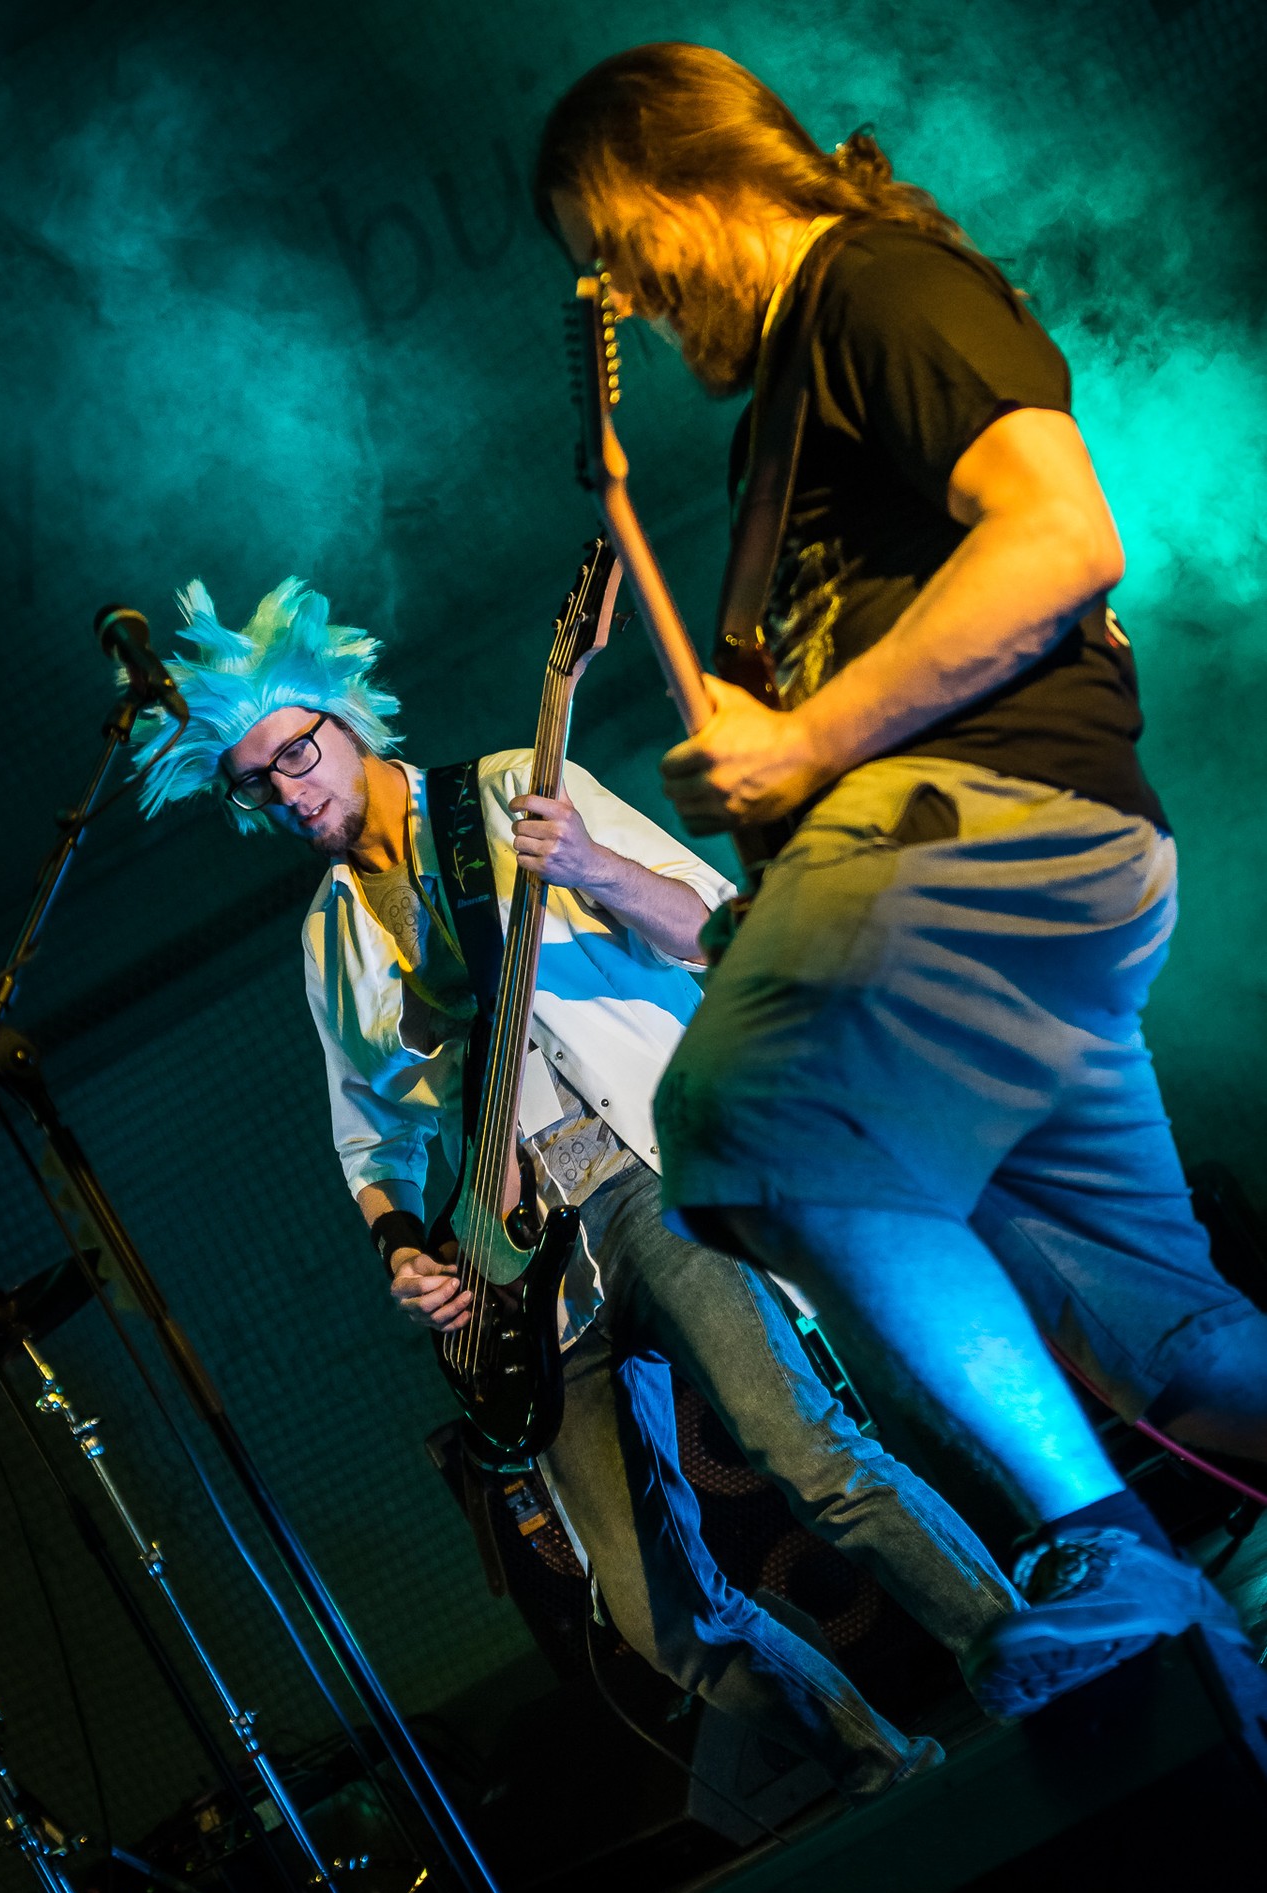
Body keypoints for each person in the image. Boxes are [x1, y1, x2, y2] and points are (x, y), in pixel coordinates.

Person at [533, 42, 1265, 1713]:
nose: (620, 294)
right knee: (1172, 1346)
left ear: (689, 177)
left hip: (989, 827)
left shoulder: (871, 284)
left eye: (615, 243)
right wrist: (768, 769)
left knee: (743, 1116)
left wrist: (805, 741)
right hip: (982, 888)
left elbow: (1059, 536)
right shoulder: (776, 424)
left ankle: (1103, 1548)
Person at [131, 574, 1031, 1804]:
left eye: (298, 753)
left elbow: (713, 924)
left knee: (806, 1455)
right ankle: (880, 1774)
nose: (290, 792)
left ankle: (1028, 1651)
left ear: (348, 722)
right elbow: (367, 1143)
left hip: (645, 1174)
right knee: (649, 1610)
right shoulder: (326, 938)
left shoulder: (508, 788)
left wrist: (595, 867)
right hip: (521, 1265)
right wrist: (401, 1246)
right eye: (257, 783)